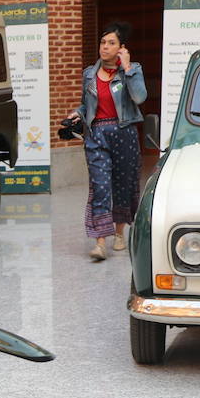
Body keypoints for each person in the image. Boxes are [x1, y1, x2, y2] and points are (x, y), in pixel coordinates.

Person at [70, 20, 147, 262]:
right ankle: (100, 243)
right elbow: (87, 105)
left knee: (123, 186)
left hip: (124, 134)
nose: (105, 47)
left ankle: (120, 232)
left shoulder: (132, 70)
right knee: (100, 186)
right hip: (97, 135)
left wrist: (127, 68)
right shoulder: (89, 75)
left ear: (121, 48)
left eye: (111, 43)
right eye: (103, 42)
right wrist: (76, 114)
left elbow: (140, 97)